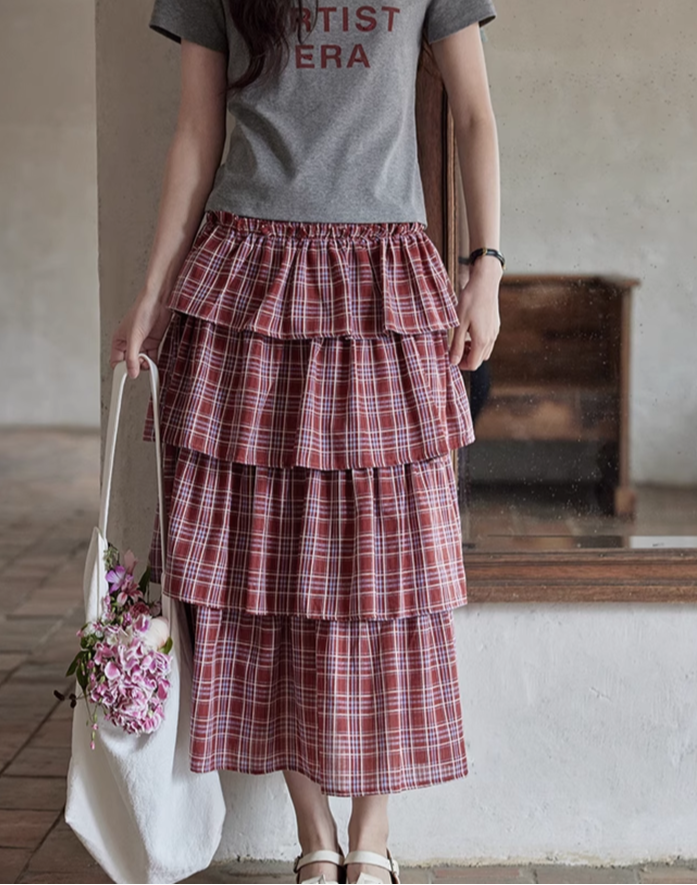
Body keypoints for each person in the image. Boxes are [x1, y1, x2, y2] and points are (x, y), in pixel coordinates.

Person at [109, 2, 502, 883]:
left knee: (391, 567)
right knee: (265, 565)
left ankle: (374, 833)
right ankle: (316, 834)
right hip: (247, 271)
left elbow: (475, 113)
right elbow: (196, 133)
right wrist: (152, 290)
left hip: (382, 276)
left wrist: (487, 268)